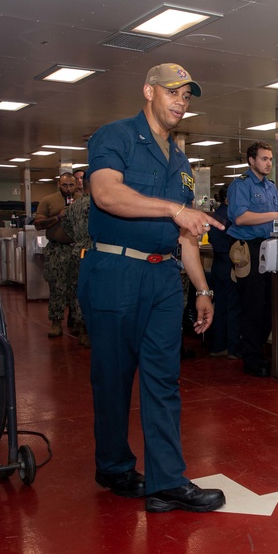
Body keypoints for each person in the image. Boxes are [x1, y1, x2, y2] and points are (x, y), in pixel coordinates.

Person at [79, 62, 225, 513]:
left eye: (187, 96)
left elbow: (184, 232)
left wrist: (202, 289)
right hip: (115, 272)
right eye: (173, 92)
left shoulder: (180, 160)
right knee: (114, 377)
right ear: (148, 91)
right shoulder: (116, 136)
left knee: (164, 379)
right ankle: (115, 467)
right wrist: (173, 211)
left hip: (163, 278)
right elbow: (106, 194)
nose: (181, 101)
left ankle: (165, 482)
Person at [227, 141, 278, 376]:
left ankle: (258, 350)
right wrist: (277, 214)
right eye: (264, 159)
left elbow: (273, 220)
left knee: (270, 303)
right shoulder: (241, 185)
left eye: (270, 159)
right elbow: (241, 218)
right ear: (251, 161)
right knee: (253, 306)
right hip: (250, 249)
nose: (268, 163)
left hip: (272, 247)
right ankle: (251, 359)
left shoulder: (271, 187)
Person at [34, 172, 78, 337]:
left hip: (76, 249)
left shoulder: (82, 200)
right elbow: (38, 224)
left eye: (71, 185)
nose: (68, 188)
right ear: (59, 185)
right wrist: (59, 217)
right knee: (57, 287)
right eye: (64, 185)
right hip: (57, 249)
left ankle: (76, 321)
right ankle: (56, 322)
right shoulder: (48, 200)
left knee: (76, 287)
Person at [206, 186, 240, 359]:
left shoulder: (215, 214)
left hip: (217, 263)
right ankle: (233, 348)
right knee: (232, 306)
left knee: (219, 306)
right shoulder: (232, 217)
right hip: (230, 264)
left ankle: (217, 345)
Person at [61, 171, 92, 347]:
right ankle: (87, 330)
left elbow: (66, 226)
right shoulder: (97, 205)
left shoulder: (73, 206)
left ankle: (81, 328)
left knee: (79, 290)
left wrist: (79, 238)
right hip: (94, 251)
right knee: (92, 292)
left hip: (78, 249)